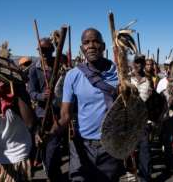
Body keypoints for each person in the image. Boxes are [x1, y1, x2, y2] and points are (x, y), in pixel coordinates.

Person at [51, 28, 124, 182]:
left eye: (96, 41)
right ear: (82, 49)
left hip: (110, 146)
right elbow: (65, 115)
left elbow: (130, 110)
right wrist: (52, 132)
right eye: (86, 42)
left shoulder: (120, 74)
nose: (91, 45)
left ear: (103, 47)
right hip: (81, 146)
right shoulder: (73, 75)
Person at [28, 38, 64, 181]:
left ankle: (54, 173)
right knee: (44, 147)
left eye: (46, 50)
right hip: (42, 115)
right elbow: (31, 92)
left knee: (54, 147)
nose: (43, 53)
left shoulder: (59, 65)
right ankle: (52, 172)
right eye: (40, 50)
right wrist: (42, 96)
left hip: (58, 113)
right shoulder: (34, 70)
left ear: (52, 50)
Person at [131, 55, 153, 182]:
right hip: (130, 121)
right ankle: (131, 174)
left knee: (145, 152)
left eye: (141, 63)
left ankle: (145, 178)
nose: (138, 65)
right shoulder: (127, 79)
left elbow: (151, 102)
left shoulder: (148, 80)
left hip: (144, 122)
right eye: (136, 63)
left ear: (144, 65)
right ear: (133, 64)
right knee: (130, 151)